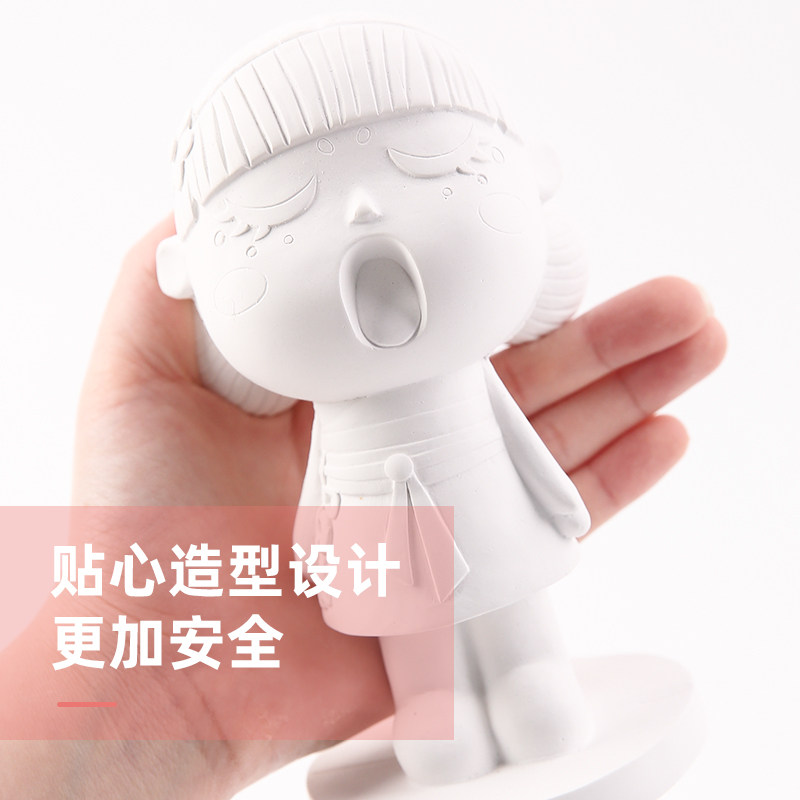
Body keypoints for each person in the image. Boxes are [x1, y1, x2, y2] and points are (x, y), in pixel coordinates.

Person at [0, 214, 726, 798]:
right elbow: (321, 487)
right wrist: (313, 557)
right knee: (413, 637)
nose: (363, 216)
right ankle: (435, 709)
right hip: (381, 558)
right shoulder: (334, 415)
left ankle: (529, 673)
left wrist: (553, 499)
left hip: (495, 532)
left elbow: (517, 438)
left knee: (512, 611)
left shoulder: (464, 373)